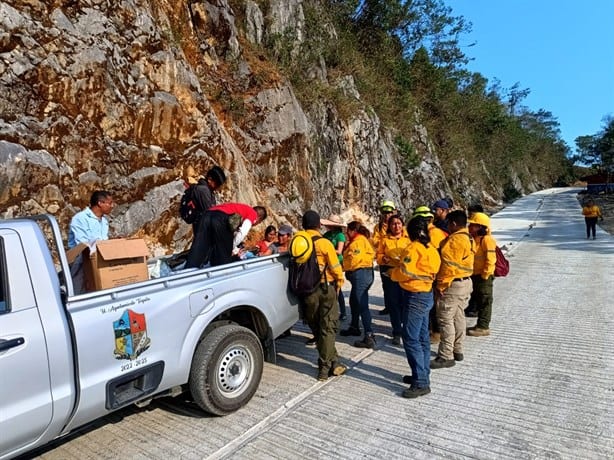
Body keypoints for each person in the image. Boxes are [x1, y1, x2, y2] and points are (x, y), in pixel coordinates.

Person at [391, 216, 441, 398]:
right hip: (427, 294)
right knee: (422, 338)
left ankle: (421, 382)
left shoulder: (413, 249)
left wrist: (393, 273)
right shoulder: (431, 249)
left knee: (410, 338)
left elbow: (404, 272)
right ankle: (422, 373)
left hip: (415, 297)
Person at [298, 210, 347, 381]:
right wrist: (339, 282)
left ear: (303, 225)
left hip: (306, 291)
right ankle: (324, 368)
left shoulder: (297, 241)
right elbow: (335, 266)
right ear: (319, 225)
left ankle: (334, 361)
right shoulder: (324, 243)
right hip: (325, 289)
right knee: (328, 327)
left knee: (316, 326)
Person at [432, 210, 474, 369]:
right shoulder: (469, 238)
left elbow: (447, 266)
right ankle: (458, 349)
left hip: (452, 284)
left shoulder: (454, 241)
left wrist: (441, 285)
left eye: (449, 223)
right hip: (465, 282)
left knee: (445, 320)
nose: (448, 226)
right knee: (458, 316)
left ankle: (445, 355)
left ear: (454, 224)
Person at [185, 203, 267, 268]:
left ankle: (188, 274)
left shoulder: (239, 207)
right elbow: (242, 233)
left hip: (206, 216)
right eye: (258, 223)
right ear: (259, 218)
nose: (255, 225)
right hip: (220, 219)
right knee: (223, 261)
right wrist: (230, 248)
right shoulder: (252, 213)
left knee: (198, 250)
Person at [412, 205, 447, 343]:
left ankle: (436, 332)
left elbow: (438, 255)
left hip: (433, 274)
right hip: (430, 274)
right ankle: (432, 330)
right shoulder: (431, 232)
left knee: (433, 306)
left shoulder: (434, 234)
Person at [341, 221, 376, 348]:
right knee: (354, 300)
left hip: (361, 274)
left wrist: (343, 267)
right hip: (362, 274)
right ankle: (354, 326)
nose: (346, 234)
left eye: (347, 232)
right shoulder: (359, 240)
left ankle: (369, 335)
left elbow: (355, 259)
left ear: (352, 231)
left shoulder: (358, 242)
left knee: (362, 304)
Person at [376, 214, 410, 345]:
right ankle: (397, 331)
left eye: (399, 223)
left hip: (405, 274)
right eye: (393, 224)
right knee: (393, 303)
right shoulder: (385, 240)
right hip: (390, 274)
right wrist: (382, 259)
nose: (396, 226)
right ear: (389, 226)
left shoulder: (408, 239)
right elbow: (378, 255)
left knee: (405, 303)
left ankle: (406, 329)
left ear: (403, 225)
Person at [466, 212, 497, 337]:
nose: (470, 227)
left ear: (480, 226)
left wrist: (485, 275)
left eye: (473, 225)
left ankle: (483, 327)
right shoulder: (475, 239)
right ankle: (480, 324)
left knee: (485, 300)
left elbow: (491, 259)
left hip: (483, 276)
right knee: (479, 300)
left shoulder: (487, 240)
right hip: (476, 275)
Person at [372, 200, 397, 315]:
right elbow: (375, 241)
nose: (387, 215)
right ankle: (388, 306)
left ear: (394, 212)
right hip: (384, 261)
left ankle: (398, 308)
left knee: (398, 287)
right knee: (386, 286)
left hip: (396, 262)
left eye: (389, 212)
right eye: (385, 213)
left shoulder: (399, 225)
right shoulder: (379, 227)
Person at [321, 214, 348, 321]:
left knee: (337, 287)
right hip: (326, 263)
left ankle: (342, 311)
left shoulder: (340, 235)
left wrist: (327, 250)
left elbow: (339, 251)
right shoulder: (326, 234)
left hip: (337, 263)